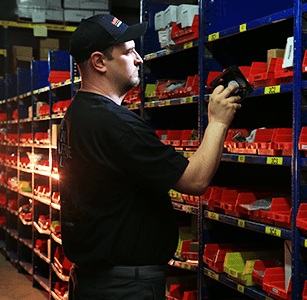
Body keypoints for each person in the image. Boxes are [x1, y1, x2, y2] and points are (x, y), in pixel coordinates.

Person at [57, 14, 241, 299]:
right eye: (129, 52)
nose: (140, 59)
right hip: (124, 287)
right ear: (99, 62)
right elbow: (194, 181)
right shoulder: (115, 123)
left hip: (93, 280)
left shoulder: (76, 113)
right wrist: (217, 122)